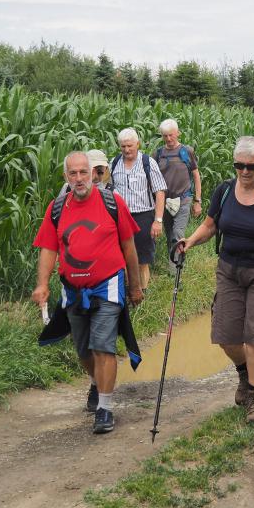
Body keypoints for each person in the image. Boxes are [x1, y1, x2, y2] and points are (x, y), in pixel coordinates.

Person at [178, 136, 254, 423]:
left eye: (251, 166)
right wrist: (189, 241)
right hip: (230, 270)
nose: (244, 172)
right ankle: (245, 372)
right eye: (239, 166)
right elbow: (209, 226)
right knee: (226, 335)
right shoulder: (223, 192)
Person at [32, 151, 144, 434]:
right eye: (73, 174)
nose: (79, 178)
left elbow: (129, 246)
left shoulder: (111, 203)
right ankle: (96, 383)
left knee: (102, 345)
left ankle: (105, 408)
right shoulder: (57, 208)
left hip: (108, 286)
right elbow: (49, 248)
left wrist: (134, 285)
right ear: (66, 177)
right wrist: (42, 284)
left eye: (84, 172)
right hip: (73, 291)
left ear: (93, 173)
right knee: (83, 349)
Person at [110, 128, 167, 292]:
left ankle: (143, 291)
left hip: (143, 217)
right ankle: (129, 291)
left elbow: (160, 192)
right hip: (120, 218)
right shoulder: (114, 163)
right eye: (123, 146)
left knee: (142, 259)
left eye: (130, 146)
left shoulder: (148, 163)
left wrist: (158, 220)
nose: (126, 150)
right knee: (122, 257)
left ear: (137, 144)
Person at [153, 119, 202, 274]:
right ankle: (175, 261)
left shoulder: (187, 151)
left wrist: (197, 201)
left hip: (184, 199)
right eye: (165, 136)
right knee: (169, 235)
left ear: (178, 133)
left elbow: (196, 175)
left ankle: (175, 272)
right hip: (165, 201)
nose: (168, 139)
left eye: (171, 135)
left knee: (177, 233)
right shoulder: (158, 154)